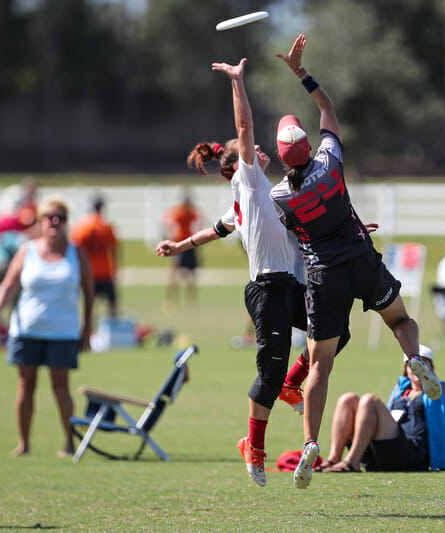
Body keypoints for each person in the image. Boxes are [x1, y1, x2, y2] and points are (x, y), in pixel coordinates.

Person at [269, 34, 441, 490]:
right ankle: (413, 361)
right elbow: (328, 110)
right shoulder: (330, 163)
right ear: (309, 146)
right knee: (402, 321)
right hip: (361, 256)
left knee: (320, 365)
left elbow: (295, 229)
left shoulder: (281, 195)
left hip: (323, 275)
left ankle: (309, 442)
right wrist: (300, 72)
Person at [154, 57, 331, 488]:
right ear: (239, 164)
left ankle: (294, 386)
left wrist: (179, 245)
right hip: (268, 291)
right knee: (268, 374)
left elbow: (217, 230)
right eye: (249, 151)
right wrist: (237, 82)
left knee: (331, 334)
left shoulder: (258, 196)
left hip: (291, 286)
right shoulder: (248, 181)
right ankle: (253, 446)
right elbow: (246, 127)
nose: (258, 150)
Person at [0, 196, 94, 457]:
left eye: (61, 218)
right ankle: (24, 444)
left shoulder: (76, 253)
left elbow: (89, 293)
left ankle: (69, 443)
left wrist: (87, 327)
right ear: (41, 221)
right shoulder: (28, 251)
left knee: (61, 388)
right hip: (27, 329)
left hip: (63, 332)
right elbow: (7, 287)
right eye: (49, 217)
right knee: (26, 387)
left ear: (66, 222)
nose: (55, 222)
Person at [319, 345, 445, 473]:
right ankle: (333, 460)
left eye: (423, 364)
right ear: (406, 369)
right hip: (388, 450)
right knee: (348, 399)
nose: (417, 369)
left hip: (413, 454)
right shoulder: (400, 391)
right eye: (412, 364)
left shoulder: (441, 390)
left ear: (431, 368)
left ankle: (352, 463)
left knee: (369, 400)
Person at [70, 194, 119, 318]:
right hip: (105, 270)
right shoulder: (105, 225)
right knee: (112, 302)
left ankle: (89, 329)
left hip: (88, 271)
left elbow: (74, 247)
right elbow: (113, 248)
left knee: (89, 303)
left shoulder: (81, 225)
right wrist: (115, 267)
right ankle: (111, 327)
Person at [161, 190, 203, 310]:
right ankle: (183, 300)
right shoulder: (186, 212)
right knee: (183, 273)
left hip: (184, 243)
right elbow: (200, 221)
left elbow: (167, 221)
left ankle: (176, 300)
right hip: (186, 243)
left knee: (180, 273)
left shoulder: (181, 212)